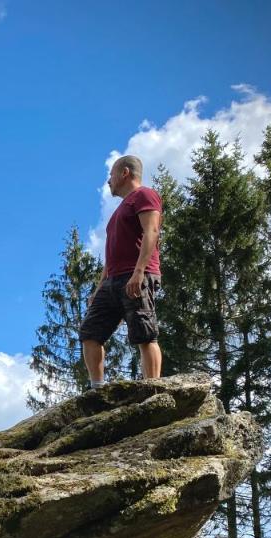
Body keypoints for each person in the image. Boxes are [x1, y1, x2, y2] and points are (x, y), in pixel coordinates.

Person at [78, 154, 163, 387]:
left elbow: (151, 232)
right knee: (90, 333)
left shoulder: (145, 195)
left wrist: (139, 271)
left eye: (111, 174)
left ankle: (152, 389)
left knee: (144, 333)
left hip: (137, 275)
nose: (108, 181)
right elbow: (111, 254)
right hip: (113, 280)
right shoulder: (118, 211)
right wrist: (99, 287)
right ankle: (97, 390)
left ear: (125, 173)